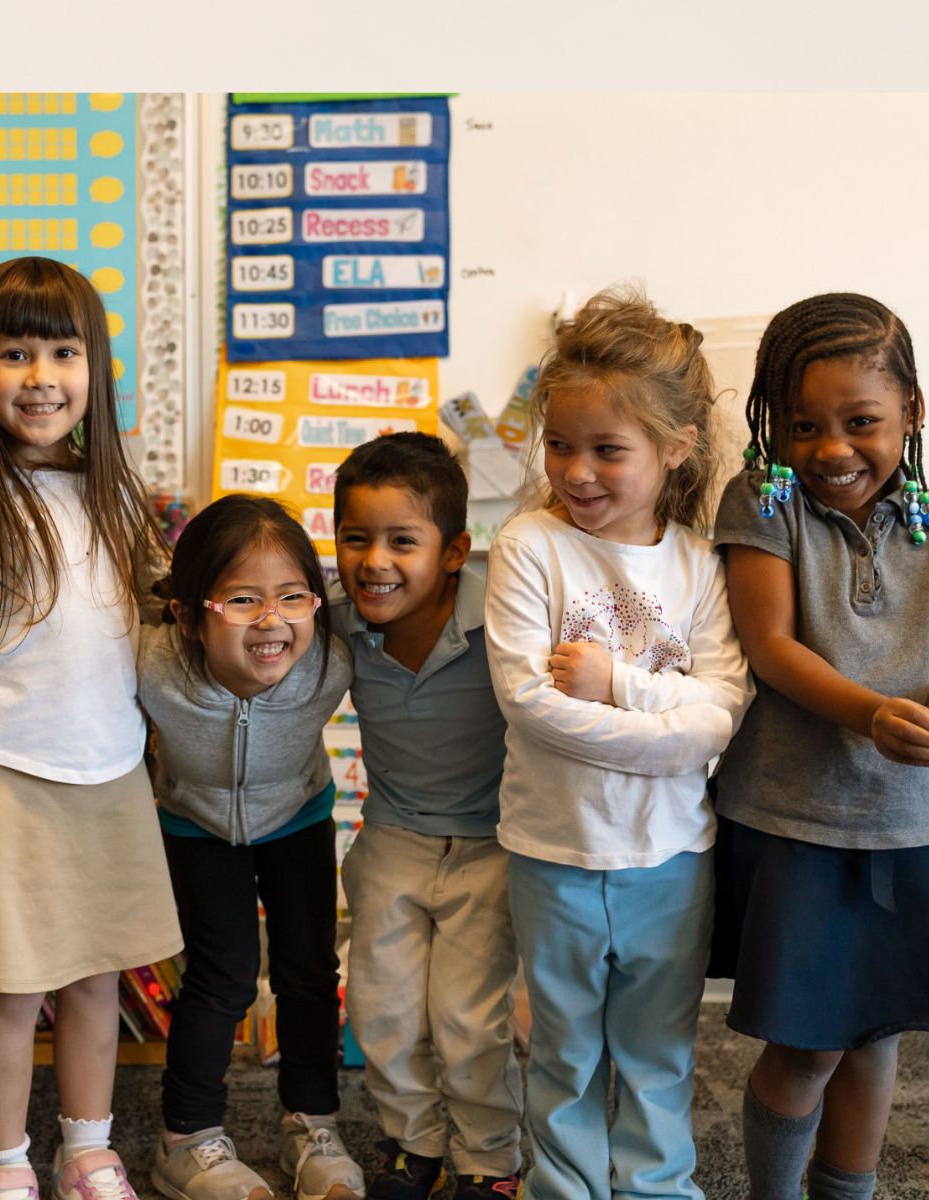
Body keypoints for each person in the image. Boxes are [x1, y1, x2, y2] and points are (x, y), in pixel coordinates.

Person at [0, 256, 182, 1200]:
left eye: (64, 353)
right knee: (15, 986)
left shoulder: (114, 493)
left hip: (111, 774)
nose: (41, 377)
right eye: (15, 352)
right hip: (5, 777)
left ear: (94, 368)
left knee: (98, 976)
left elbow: (142, 634)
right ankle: (2, 1163)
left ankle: (87, 1151)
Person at [484, 288, 753, 1199]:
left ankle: (657, 1189)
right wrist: (670, 727)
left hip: (670, 858)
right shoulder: (528, 546)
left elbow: (720, 717)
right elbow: (529, 705)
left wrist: (619, 686)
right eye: (560, 445)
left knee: (656, 1052)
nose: (577, 471)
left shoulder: (701, 565)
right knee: (561, 1051)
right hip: (553, 853)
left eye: (608, 450)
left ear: (675, 449)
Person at [713, 293, 929, 1200]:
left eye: (861, 422)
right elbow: (771, 647)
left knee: (875, 1036)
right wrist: (873, 715)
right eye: (804, 426)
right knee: (805, 1048)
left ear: (912, 411)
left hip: (907, 824)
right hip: (796, 821)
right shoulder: (763, 501)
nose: (833, 449)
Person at [139, 494, 362, 1200]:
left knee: (308, 969)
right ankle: (187, 1137)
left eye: (293, 596)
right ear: (187, 614)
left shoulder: (330, 659)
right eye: (242, 600)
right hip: (195, 824)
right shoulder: (150, 664)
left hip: (298, 814)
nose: (272, 621)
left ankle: (312, 1123)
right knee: (224, 975)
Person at [329, 432, 523, 1200]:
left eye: (402, 541)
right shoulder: (337, 617)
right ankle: (412, 1143)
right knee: (381, 1007)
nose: (374, 561)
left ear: (454, 553)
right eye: (355, 538)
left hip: (492, 844)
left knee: (469, 1019)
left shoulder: (505, 611)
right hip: (393, 838)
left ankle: (489, 1158)